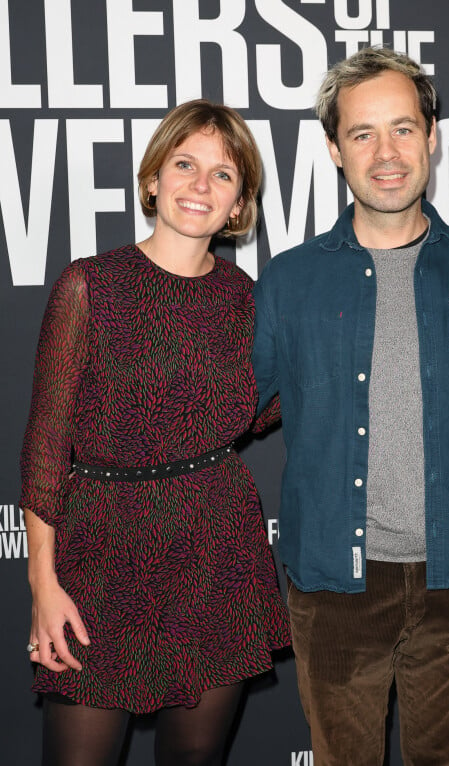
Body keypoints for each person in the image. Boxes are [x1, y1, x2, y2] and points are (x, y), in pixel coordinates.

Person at [252, 47, 449, 766]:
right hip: (334, 588)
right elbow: (228, 408)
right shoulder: (289, 282)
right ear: (334, 150)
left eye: (403, 128)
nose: (386, 153)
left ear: (432, 134)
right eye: (362, 134)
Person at [21, 99, 290, 766]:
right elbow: (47, 443)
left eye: (222, 175)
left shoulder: (248, 299)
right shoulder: (91, 285)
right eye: (185, 164)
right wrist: (42, 586)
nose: (200, 185)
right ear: (152, 180)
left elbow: (251, 412)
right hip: (102, 552)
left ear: (239, 204)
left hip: (215, 549)